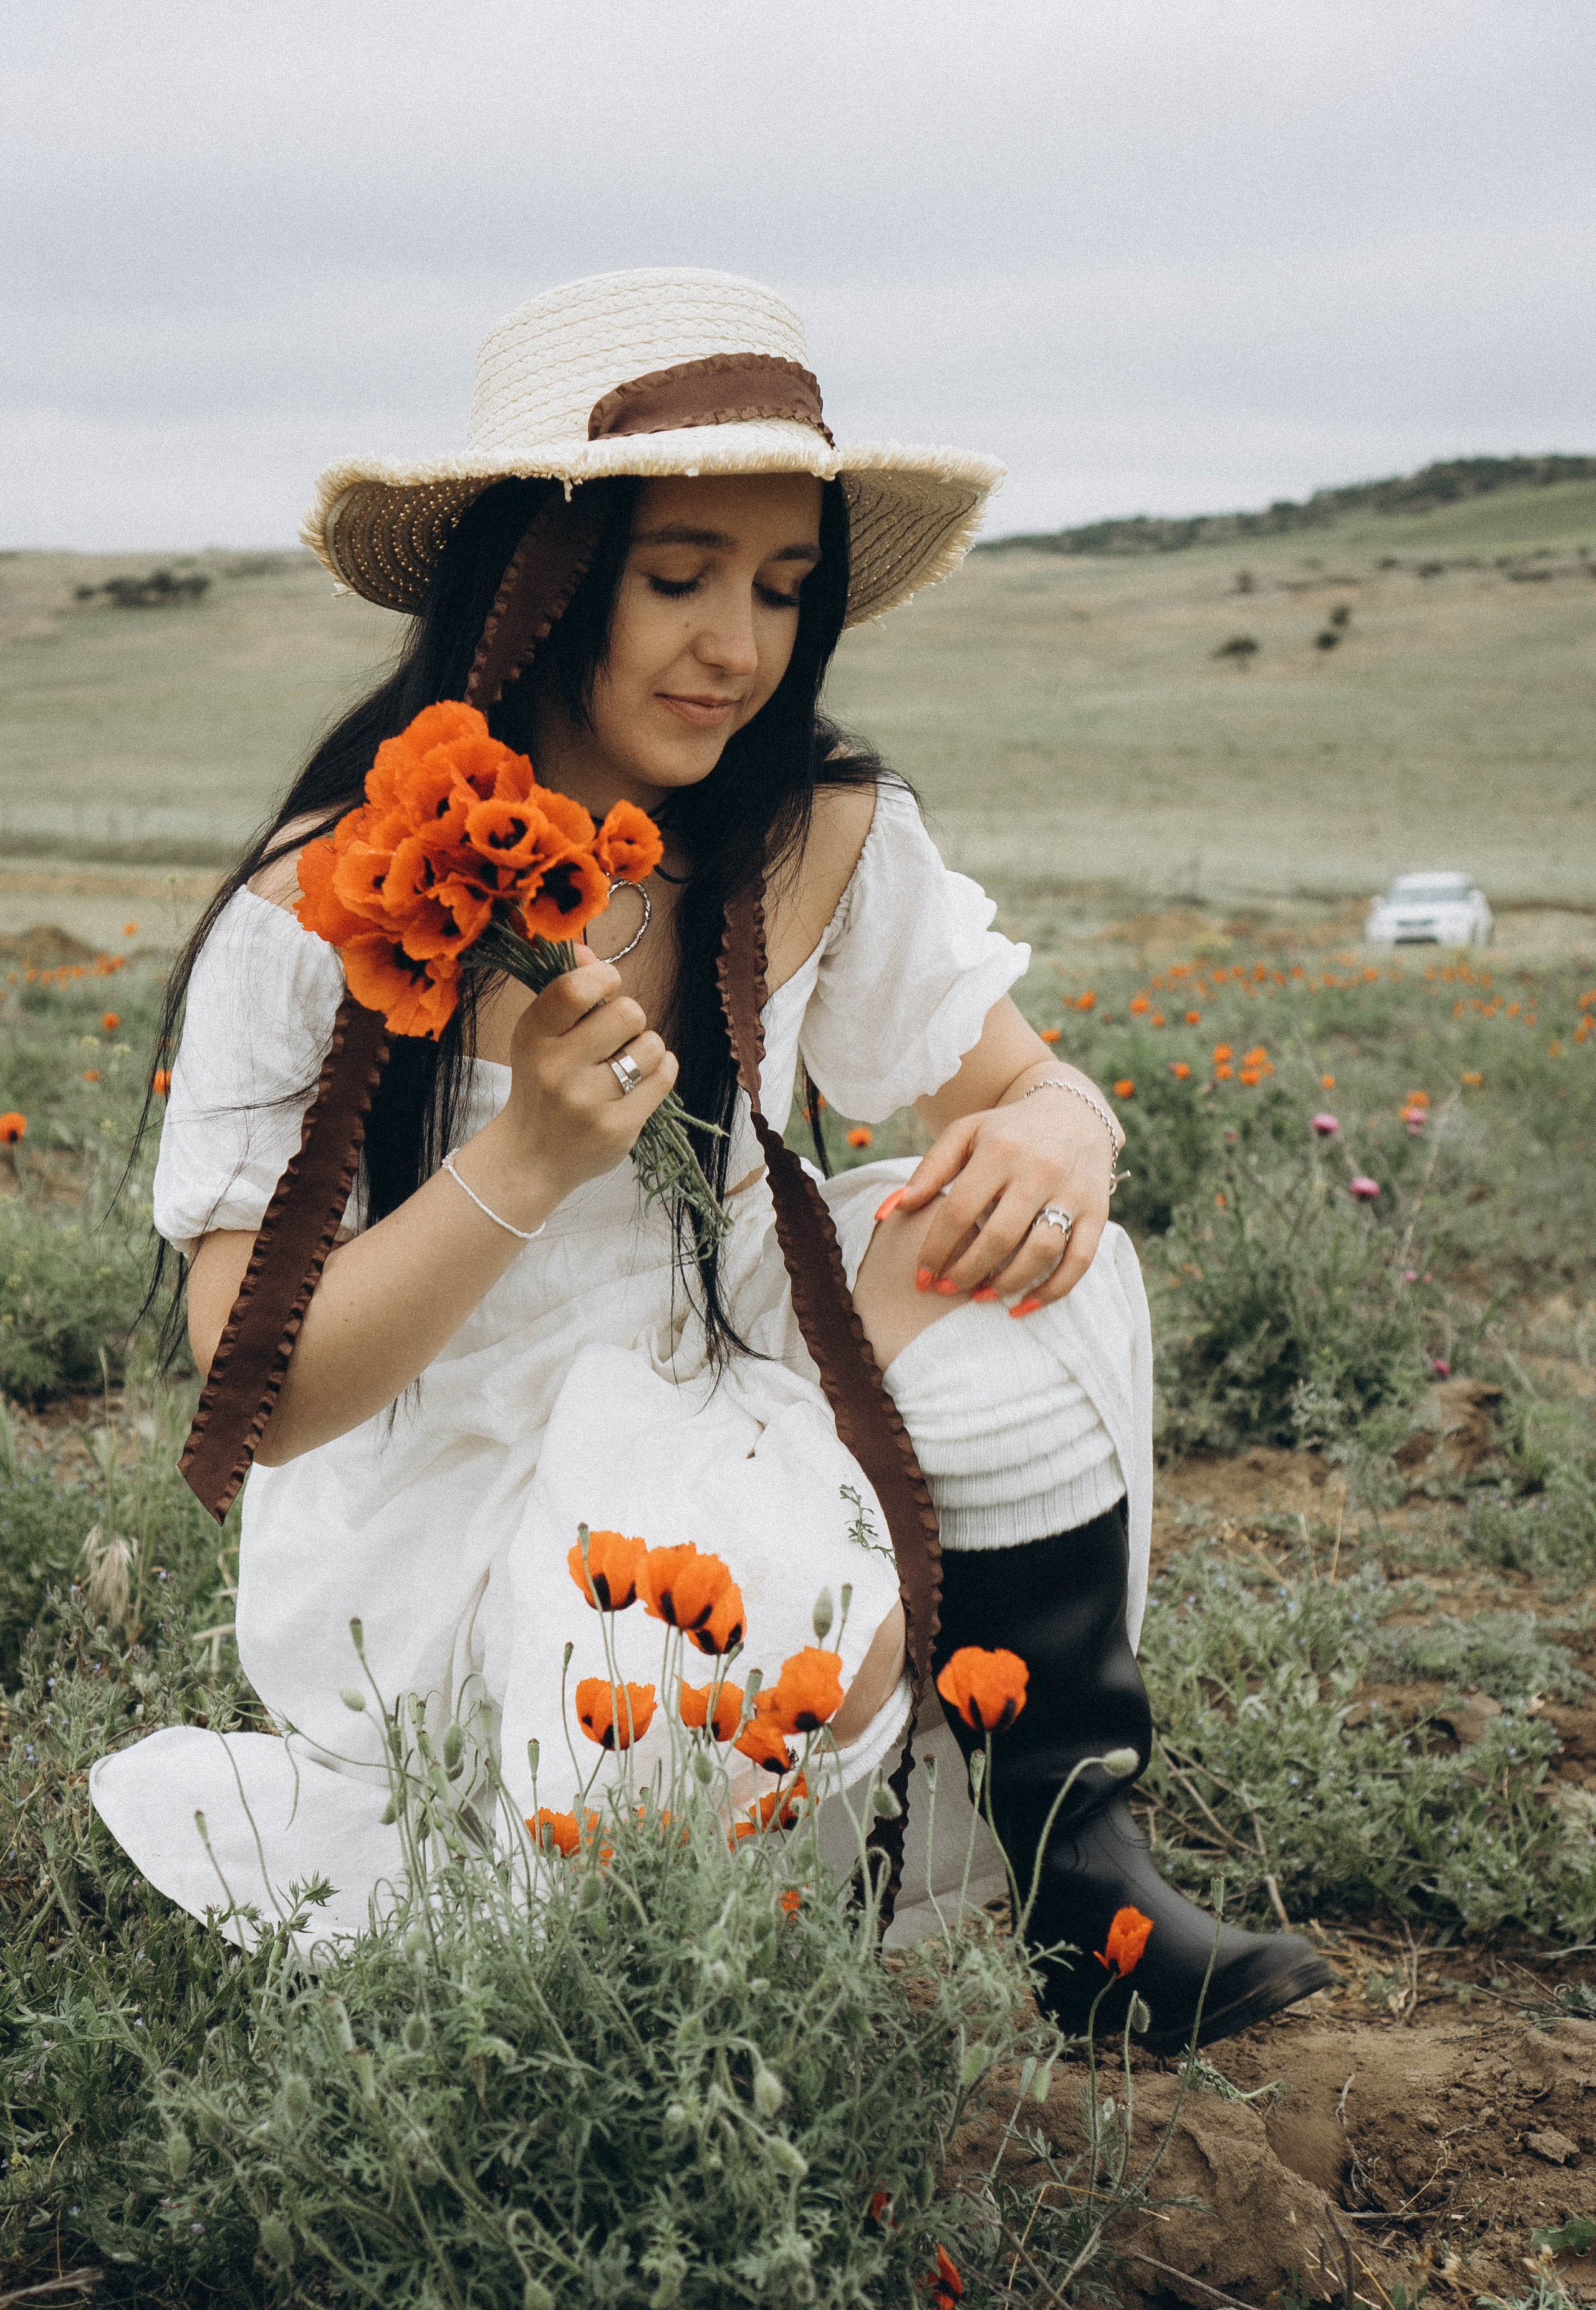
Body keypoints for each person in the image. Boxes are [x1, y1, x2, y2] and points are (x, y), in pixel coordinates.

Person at [92, 268, 1329, 2051]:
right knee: (659, 1787)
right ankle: (673, 1916)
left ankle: (1081, 1871)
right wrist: (518, 1159)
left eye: (780, 589)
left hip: (737, 1344)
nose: (736, 647)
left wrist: (1064, 1129)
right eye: (678, 579)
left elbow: (1026, 1086)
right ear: (537, 579)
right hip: (463, 1478)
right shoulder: (320, 908)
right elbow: (260, 1392)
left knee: (1023, 1260)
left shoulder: (813, 829)